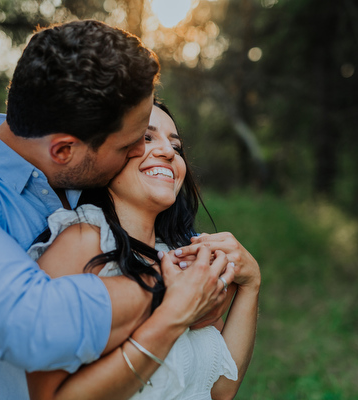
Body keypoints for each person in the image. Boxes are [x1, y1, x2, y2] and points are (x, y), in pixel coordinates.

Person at [0, 20, 243, 399]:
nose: (142, 151)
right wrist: (171, 290)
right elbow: (32, 324)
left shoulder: (82, 180)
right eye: (128, 146)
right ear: (63, 150)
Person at [25, 102, 261, 400]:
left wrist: (251, 285)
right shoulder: (83, 241)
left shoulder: (177, 255)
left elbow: (220, 390)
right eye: (146, 138)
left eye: (176, 146)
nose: (168, 151)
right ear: (105, 154)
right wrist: (172, 312)